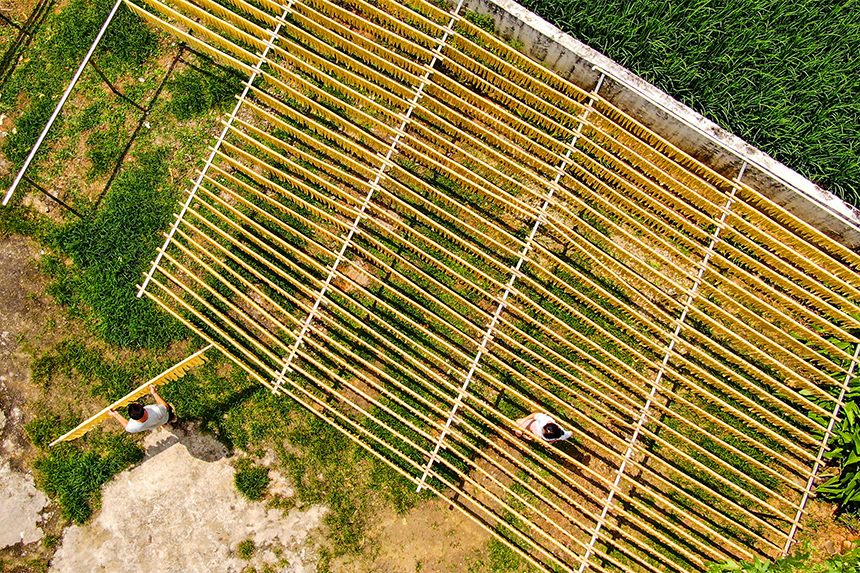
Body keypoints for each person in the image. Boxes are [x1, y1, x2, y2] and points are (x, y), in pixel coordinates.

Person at [109, 385, 176, 433]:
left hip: (152, 425)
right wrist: (154, 393)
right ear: (144, 409)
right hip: (166, 417)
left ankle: (165, 426)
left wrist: (116, 415)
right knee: (170, 413)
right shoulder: (156, 411)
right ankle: (171, 420)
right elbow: (165, 407)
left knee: (156, 422)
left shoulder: (134, 426)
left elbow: (127, 427)